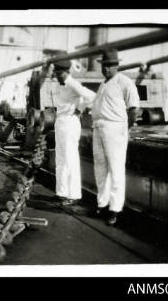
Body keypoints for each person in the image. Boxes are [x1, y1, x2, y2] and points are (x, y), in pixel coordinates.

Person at [91, 48, 140, 226]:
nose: (106, 68)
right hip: (99, 128)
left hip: (115, 129)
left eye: (110, 65)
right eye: (104, 65)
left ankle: (115, 209)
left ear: (116, 65)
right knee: (100, 168)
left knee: (116, 170)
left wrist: (123, 129)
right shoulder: (103, 85)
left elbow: (134, 109)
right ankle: (102, 204)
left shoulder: (124, 82)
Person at [43, 60, 96, 208]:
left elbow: (91, 96)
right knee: (60, 160)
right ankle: (61, 193)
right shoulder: (62, 85)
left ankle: (74, 195)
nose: (57, 76)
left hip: (70, 123)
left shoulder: (73, 83)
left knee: (71, 160)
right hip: (60, 122)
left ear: (65, 72)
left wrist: (80, 108)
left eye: (58, 74)